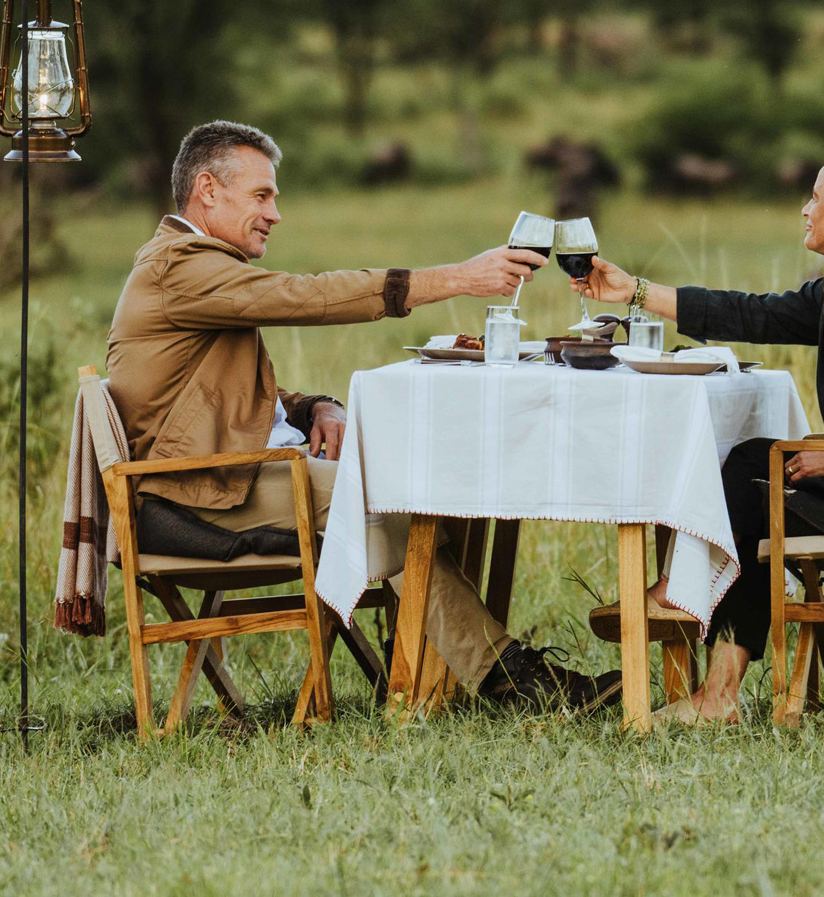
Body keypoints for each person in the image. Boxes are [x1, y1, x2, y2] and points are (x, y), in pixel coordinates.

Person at [106, 120, 619, 710]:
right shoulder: (180, 267)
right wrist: (459, 278)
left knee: (428, 494)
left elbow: (212, 389)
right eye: (262, 196)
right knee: (396, 495)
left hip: (223, 474)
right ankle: (509, 680)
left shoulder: (192, 264)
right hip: (196, 492)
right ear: (208, 189)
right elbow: (304, 295)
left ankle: (443, 675)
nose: (276, 214)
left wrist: (314, 407)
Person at [570, 145, 824, 724]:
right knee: (746, 461)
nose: (806, 209)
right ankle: (689, 622)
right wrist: (635, 290)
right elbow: (753, 314)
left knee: (752, 498)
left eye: (816, 196)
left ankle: (712, 679)